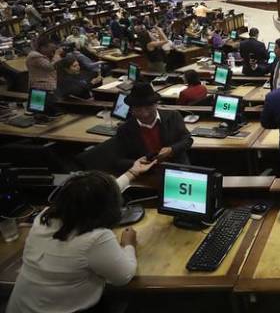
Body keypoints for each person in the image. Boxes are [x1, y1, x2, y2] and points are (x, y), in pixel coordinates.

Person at [5, 164, 157, 313]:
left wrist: (132, 172)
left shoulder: (44, 217)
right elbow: (124, 277)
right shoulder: (96, 238)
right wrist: (128, 244)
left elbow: (96, 195)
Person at [113, 82, 193, 171]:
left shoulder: (173, 116)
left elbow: (188, 140)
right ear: (131, 110)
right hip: (144, 172)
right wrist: (136, 163)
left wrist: (172, 149)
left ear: (156, 104)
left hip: (176, 168)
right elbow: (119, 160)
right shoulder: (124, 129)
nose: (144, 114)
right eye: (138, 110)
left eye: (148, 108)